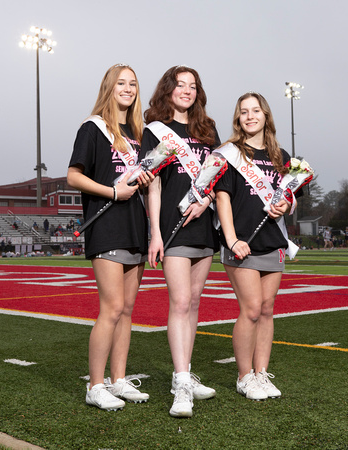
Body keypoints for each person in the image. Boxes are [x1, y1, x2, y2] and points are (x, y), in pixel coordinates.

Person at [67, 64, 154, 411]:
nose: (128, 88)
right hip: (106, 227)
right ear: (109, 87)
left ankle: (118, 380)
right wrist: (112, 192)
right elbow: (73, 176)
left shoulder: (138, 134)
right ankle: (96, 384)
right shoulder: (93, 128)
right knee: (112, 308)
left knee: (128, 310)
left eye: (133, 83)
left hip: (136, 226)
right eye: (121, 82)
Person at [140, 65, 220, 417]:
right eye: (180, 85)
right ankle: (180, 382)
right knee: (180, 301)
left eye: (192, 86)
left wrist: (206, 200)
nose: (186, 91)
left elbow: (218, 173)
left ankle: (186, 372)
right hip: (174, 227)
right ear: (168, 90)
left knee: (195, 302)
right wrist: (154, 232)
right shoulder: (155, 130)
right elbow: (153, 184)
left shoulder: (207, 129)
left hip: (204, 224)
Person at [215, 92, 294, 401]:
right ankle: (244, 376)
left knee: (266, 309)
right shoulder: (231, 152)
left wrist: (286, 205)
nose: (250, 116)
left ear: (266, 115)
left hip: (273, 241)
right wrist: (232, 239)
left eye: (255, 110)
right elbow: (222, 197)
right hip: (241, 244)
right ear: (238, 118)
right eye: (244, 111)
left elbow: (290, 197)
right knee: (250, 309)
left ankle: (261, 374)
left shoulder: (281, 155)